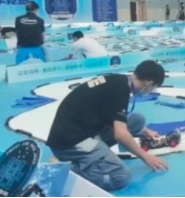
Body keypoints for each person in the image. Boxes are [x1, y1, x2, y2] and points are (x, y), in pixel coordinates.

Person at [46, 60, 169, 191]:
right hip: (71, 142)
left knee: (137, 120)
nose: (150, 91)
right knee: (120, 177)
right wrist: (146, 157)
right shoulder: (121, 90)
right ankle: (67, 168)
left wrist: (145, 130)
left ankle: (97, 156)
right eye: (153, 88)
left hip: (75, 129)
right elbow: (120, 134)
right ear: (149, 84)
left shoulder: (117, 81)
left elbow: (114, 113)